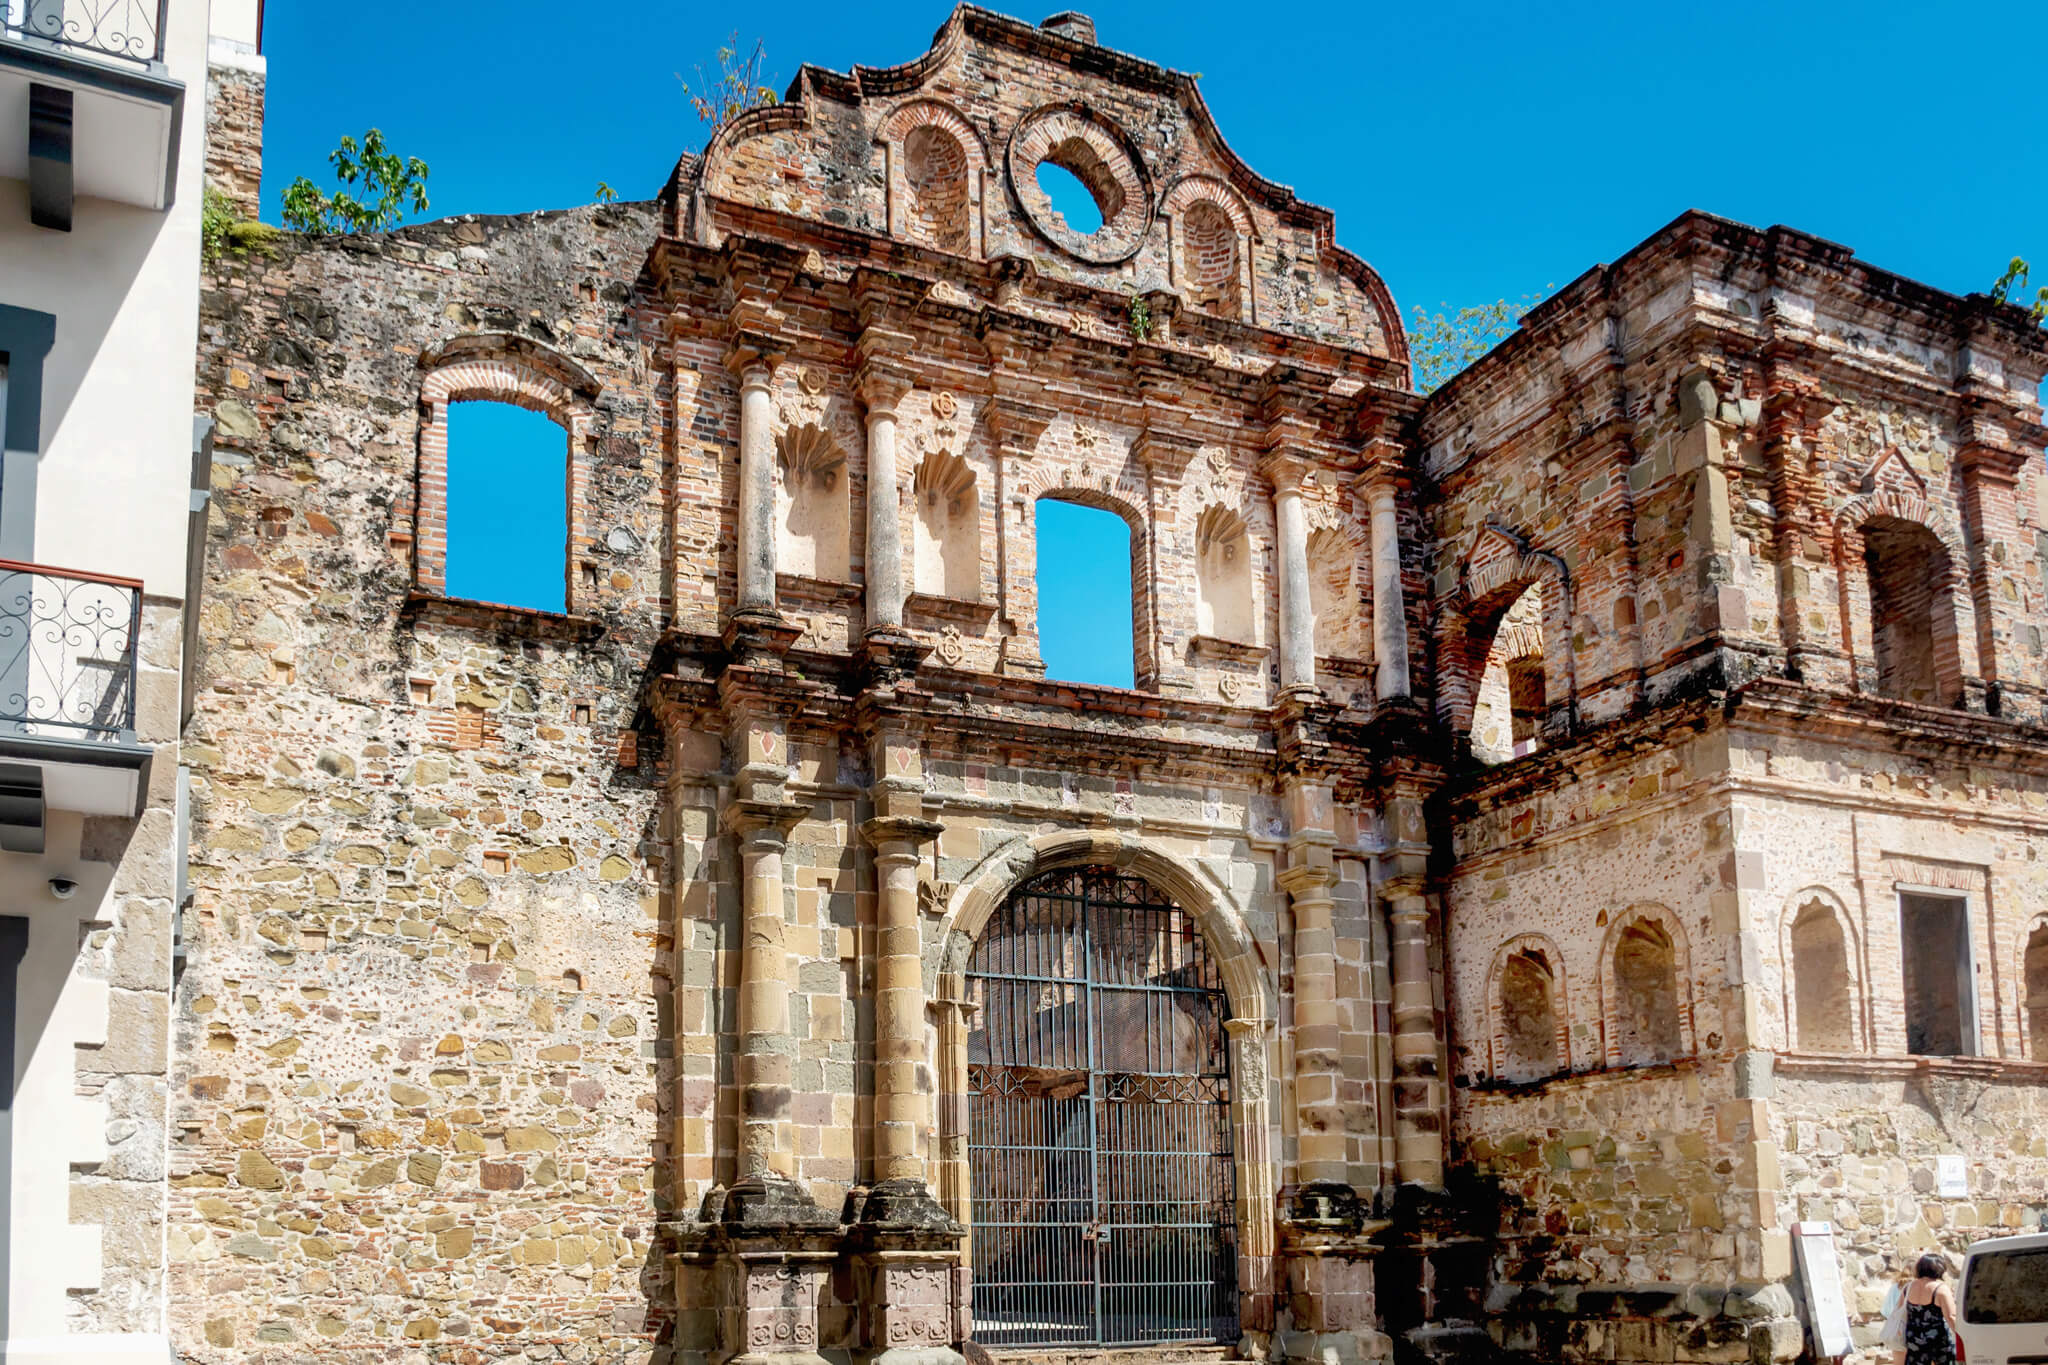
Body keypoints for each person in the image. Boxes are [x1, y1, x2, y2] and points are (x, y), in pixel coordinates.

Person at [1898, 1252, 1961, 1365]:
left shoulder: (1908, 1287)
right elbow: (1951, 1316)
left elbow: (1900, 1311)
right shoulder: (1941, 1289)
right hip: (1937, 1339)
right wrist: (1963, 1336)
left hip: (1914, 1337)